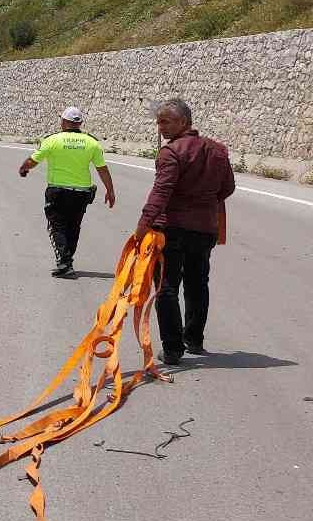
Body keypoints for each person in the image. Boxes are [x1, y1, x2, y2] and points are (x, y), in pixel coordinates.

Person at [134, 98, 234, 365]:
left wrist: (143, 225)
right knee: (197, 283)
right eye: (158, 122)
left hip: (172, 230)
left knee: (166, 287)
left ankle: (173, 348)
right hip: (204, 230)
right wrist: (203, 203)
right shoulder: (218, 151)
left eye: (165, 121)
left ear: (184, 122)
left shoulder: (172, 152)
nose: (160, 127)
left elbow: (161, 192)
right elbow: (227, 188)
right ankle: (194, 339)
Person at [18, 107, 116, 278]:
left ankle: (64, 263)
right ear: (80, 123)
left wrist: (23, 168)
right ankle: (67, 260)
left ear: (63, 122)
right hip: (81, 193)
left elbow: (34, 160)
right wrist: (110, 190)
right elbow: (102, 168)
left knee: (57, 226)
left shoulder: (52, 140)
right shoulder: (91, 142)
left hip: (58, 191)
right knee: (73, 227)